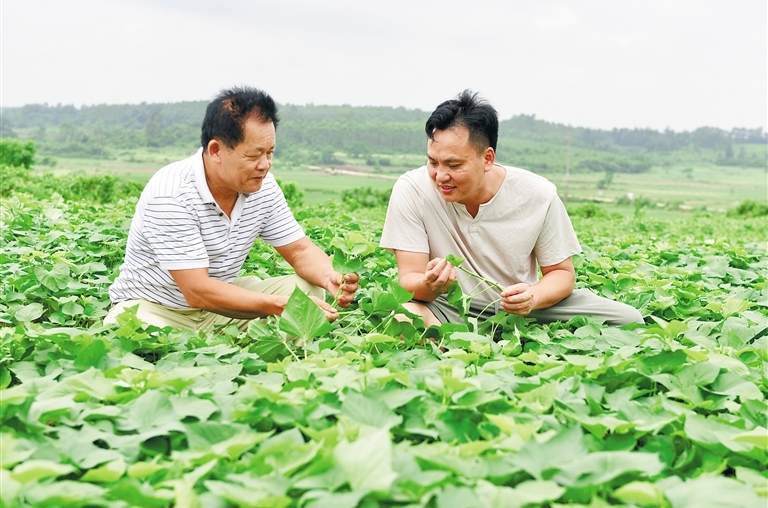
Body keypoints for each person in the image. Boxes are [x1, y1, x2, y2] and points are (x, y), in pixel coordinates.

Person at [380, 90, 642, 328]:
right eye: (433, 162)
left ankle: (460, 342)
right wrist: (430, 286)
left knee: (628, 320)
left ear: (487, 159)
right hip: (449, 305)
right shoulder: (411, 190)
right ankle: (462, 343)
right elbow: (409, 279)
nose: (440, 176)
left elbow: (561, 274)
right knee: (403, 318)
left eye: (454, 165)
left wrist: (533, 296)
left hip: (520, 309)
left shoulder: (538, 194)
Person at [105, 86, 358, 331]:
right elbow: (197, 291)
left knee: (308, 289)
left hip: (221, 307)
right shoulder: (171, 193)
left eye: (270, 153)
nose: (265, 165)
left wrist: (329, 277)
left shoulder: (262, 185)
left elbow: (300, 251)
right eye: (254, 155)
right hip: (158, 309)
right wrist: (280, 306)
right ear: (216, 150)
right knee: (131, 332)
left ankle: (275, 359)